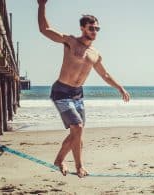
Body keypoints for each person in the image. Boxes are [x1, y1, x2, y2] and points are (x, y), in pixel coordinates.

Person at [37, 0, 130, 178]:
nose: (94, 31)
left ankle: (59, 160)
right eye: (91, 28)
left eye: (97, 29)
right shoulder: (70, 42)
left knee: (77, 134)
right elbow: (45, 30)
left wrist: (120, 88)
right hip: (61, 91)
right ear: (82, 28)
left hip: (78, 94)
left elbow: (105, 75)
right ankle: (80, 166)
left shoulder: (95, 54)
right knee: (78, 127)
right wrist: (42, 6)